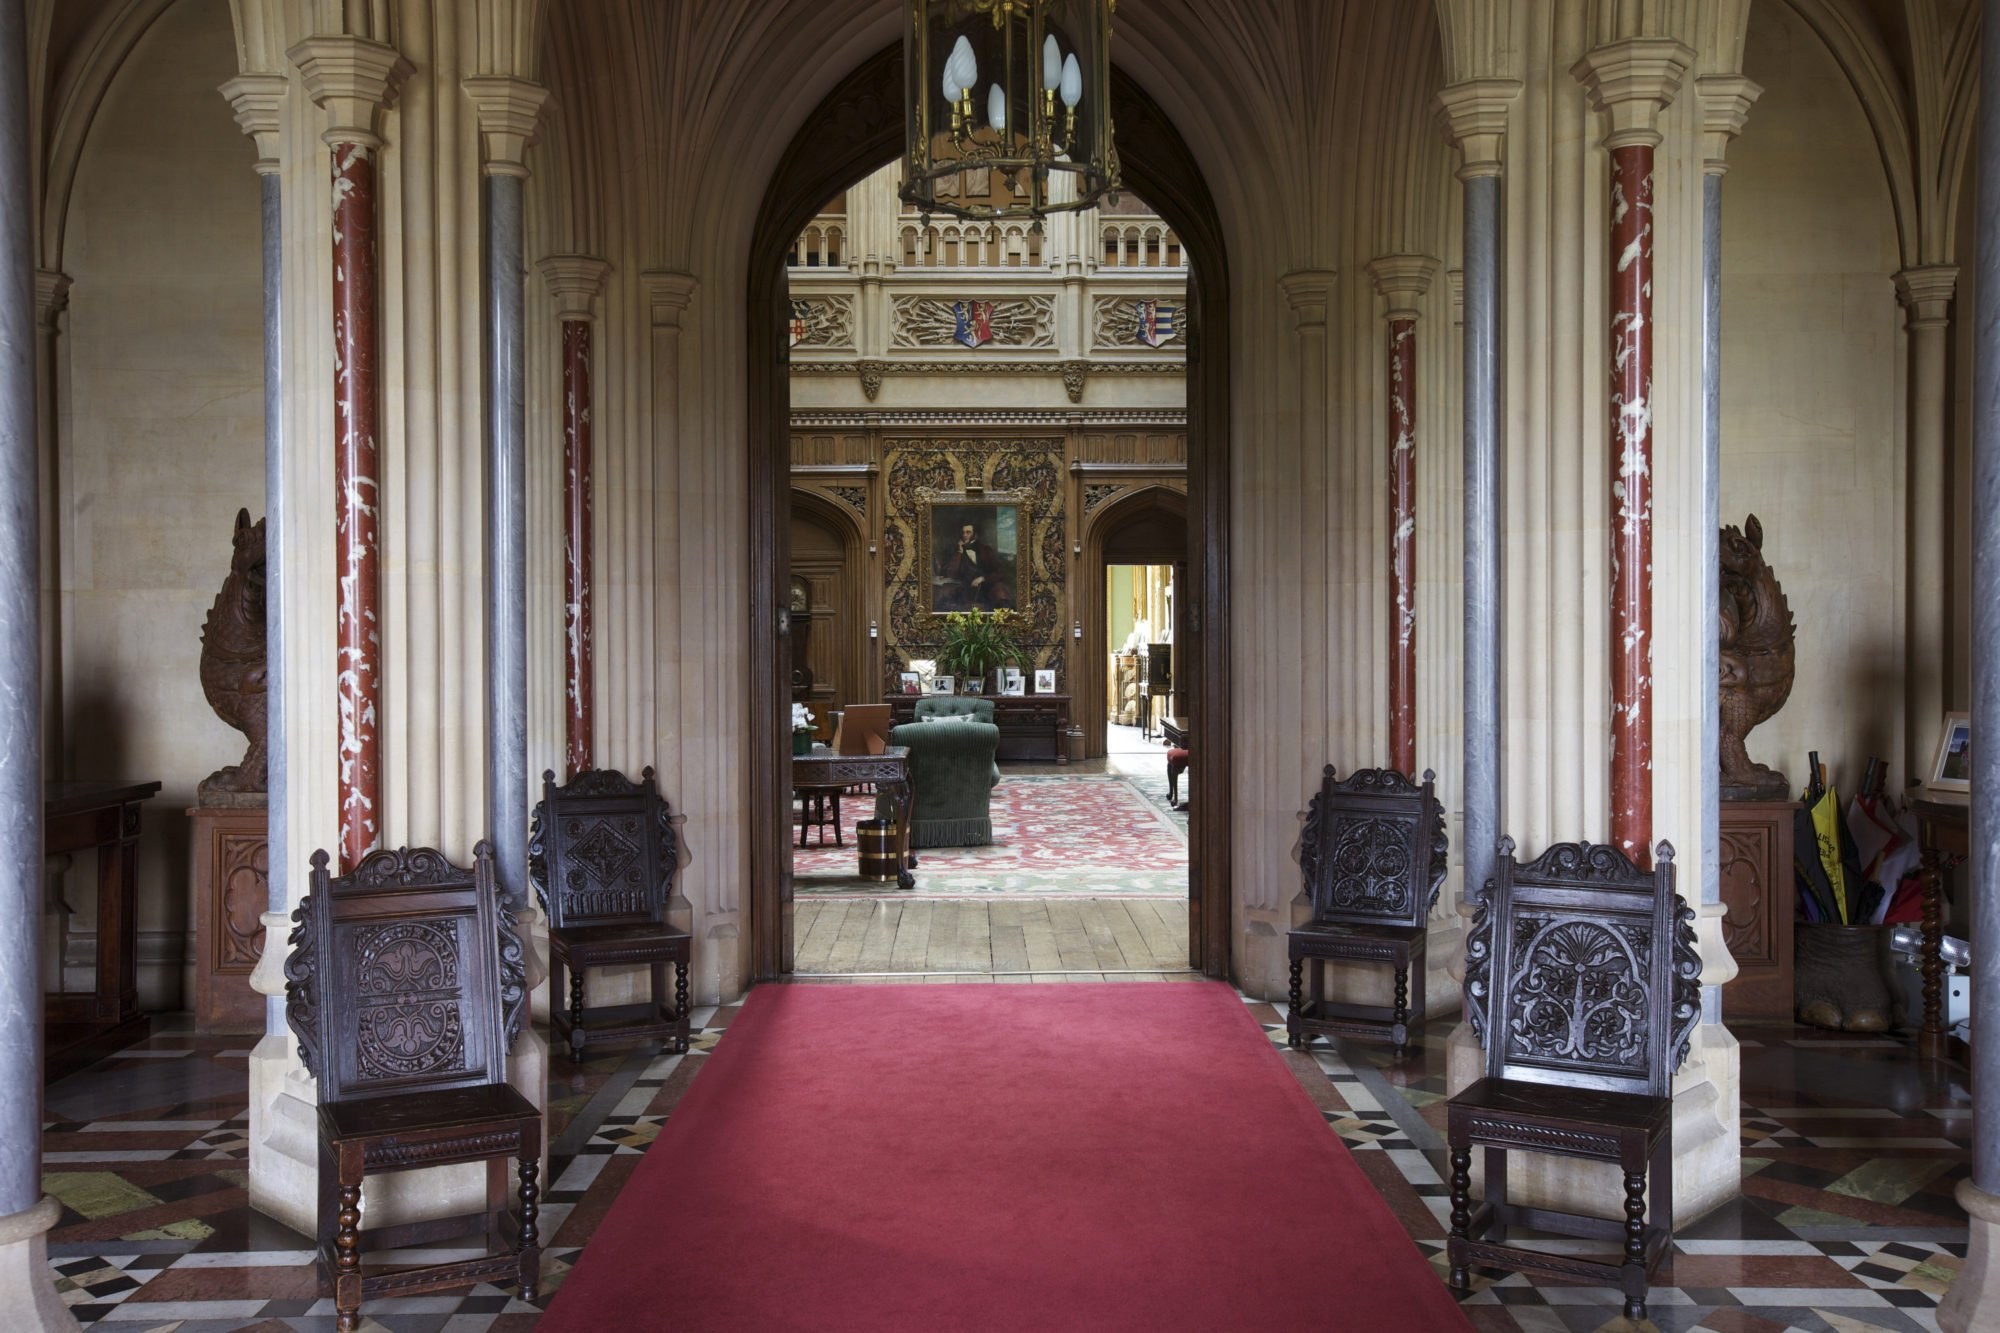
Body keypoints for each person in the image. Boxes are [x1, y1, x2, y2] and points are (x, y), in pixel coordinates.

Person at [939, 520, 1014, 611]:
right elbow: (951, 573)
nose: (964, 535)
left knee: (1000, 593)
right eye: (963, 532)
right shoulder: (955, 551)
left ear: (975, 535)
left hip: (988, 586)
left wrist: (983, 578)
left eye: (968, 532)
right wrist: (959, 553)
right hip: (967, 589)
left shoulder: (986, 550)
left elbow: (1000, 572)